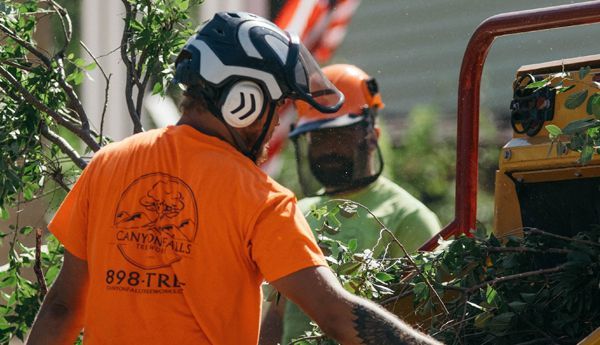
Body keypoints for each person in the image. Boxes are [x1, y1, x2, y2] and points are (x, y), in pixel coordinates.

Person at [25, 12, 440, 345]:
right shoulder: (261, 199)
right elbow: (335, 315)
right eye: (276, 107)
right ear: (244, 100)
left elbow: (62, 306)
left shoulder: (107, 165)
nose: (277, 122)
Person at [261, 64, 442, 344]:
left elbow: (424, 321)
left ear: (372, 136)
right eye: (318, 138)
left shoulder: (408, 217)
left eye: (339, 135)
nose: (328, 148)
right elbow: (277, 314)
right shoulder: (297, 212)